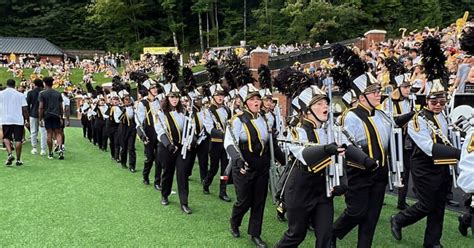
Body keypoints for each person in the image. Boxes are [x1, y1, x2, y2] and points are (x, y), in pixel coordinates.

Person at [390, 37, 462, 247]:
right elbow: (428, 148)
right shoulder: (417, 120)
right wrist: (458, 153)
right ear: (426, 101)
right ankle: (399, 219)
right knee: (427, 204)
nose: (439, 105)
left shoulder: (444, 115)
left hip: (442, 166)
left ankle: (432, 242)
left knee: (439, 205)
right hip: (424, 166)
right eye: (434, 101)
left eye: (442, 101)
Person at [276, 86, 345, 248]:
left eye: (326, 103)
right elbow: (305, 156)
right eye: (319, 104)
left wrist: (344, 182)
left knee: (325, 238)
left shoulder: (331, 131)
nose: (326, 107)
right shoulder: (296, 132)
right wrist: (326, 149)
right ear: (307, 111)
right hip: (300, 190)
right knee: (296, 235)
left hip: (323, 192)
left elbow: (345, 153)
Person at [226, 83, 283, 248]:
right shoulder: (237, 120)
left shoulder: (265, 118)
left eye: (258, 98)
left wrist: (283, 160)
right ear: (245, 103)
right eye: (252, 99)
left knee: (259, 201)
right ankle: (234, 222)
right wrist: (238, 160)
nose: (257, 101)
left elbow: (271, 142)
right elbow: (229, 143)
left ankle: (255, 234)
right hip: (244, 166)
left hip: (262, 166)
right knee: (244, 201)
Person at [155, 83, 193, 214]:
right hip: (167, 148)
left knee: (182, 174)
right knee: (167, 172)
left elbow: (189, 129)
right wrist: (168, 144)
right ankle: (164, 195)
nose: (175, 99)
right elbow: (160, 131)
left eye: (177, 96)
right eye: (172, 96)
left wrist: (190, 140)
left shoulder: (184, 112)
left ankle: (184, 202)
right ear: (167, 98)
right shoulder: (161, 113)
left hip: (181, 148)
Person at [381, 73, 415, 210]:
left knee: (405, 171)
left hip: (406, 140)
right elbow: (391, 121)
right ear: (399, 88)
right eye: (405, 87)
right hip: (392, 139)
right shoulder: (388, 102)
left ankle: (401, 201)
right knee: (385, 170)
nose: (408, 90)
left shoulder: (410, 101)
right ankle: (380, 197)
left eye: (409, 87)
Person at [203, 82, 232, 202]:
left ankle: (223, 191)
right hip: (215, 143)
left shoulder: (226, 110)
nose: (220, 97)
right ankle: (206, 183)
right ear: (212, 97)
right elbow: (210, 129)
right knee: (214, 168)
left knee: (225, 169)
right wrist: (224, 135)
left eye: (222, 95)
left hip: (226, 144)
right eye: (218, 95)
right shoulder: (208, 111)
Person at [135, 79, 162, 189]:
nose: (155, 90)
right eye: (152, 88)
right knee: (150, 158)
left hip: (159, 132)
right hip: (149, 132)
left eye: (156, 87)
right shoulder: (143, 104)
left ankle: (157, 181)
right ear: (148, 90)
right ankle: (145, 176)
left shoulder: (160, 101)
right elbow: (139, 121)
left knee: (159, 159)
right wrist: (142, 135)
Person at [0, 79, 29, 166]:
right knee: (18, 139)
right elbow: (25, 109)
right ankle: (18, 159)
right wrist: (26, 119)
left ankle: (9, 154)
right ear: (14, 85)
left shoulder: (1, 94)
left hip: (6, 119)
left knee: (6, 137)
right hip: (18, 119)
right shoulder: (20, 95)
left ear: (7, 84)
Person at [39, 76, 64, 160]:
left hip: (47, 115)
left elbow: (41, 107)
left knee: (49, 133)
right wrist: (61, 116)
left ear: (44, 83)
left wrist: (40, 118)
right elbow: (61, 107)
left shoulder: (42, 93)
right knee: (58, 133)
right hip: (56, 115)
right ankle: (60, 148)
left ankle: (50, 152)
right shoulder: (58, 93)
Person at [26, 78, 47, 155]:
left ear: (34, 84)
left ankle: (34, 148)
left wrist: (27, 116)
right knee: (43, 132)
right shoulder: (44, 92)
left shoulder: (30, 93)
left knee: (33, 132)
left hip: (33, 114)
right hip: (43, 114)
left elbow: (27, 105)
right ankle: (43, 149)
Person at [117, 90, 137, 172]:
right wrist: (124, 110)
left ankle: (132, 166)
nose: (128, 101)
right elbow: (118, 119)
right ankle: (123, 162)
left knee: (131, 147)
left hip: (132, 129)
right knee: (124, 148)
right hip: (123, 129)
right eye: (126, 99)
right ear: (122, 100)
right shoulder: (119, 108)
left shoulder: (133, 108)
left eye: (128, 99)